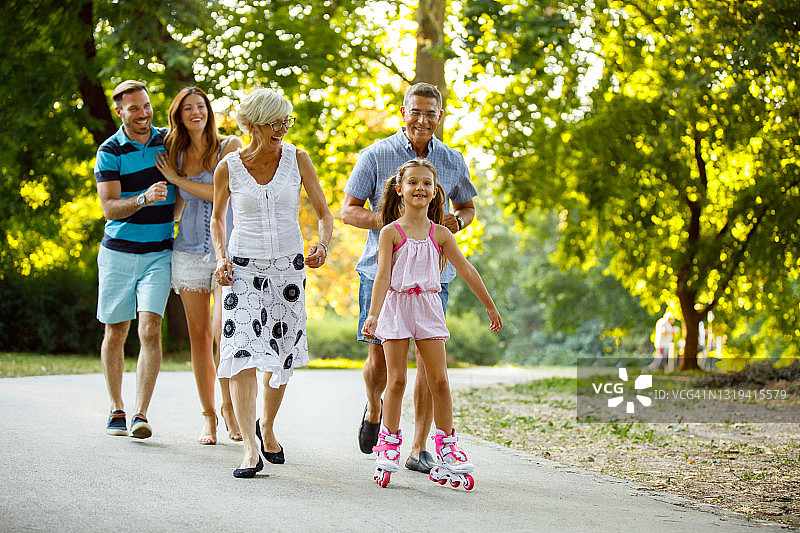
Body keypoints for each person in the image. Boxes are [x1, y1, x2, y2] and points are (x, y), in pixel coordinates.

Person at [342, 82, 478, 474]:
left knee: (429, 363)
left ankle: (418, 447)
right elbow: (349, 211)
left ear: (439, 116)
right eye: (415, 111)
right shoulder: (376, 154)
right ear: (404, 112)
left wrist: (457, 223)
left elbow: (467, 208)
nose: (422, 119)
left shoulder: (452, 160)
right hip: (381, 273)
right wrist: (394, 223)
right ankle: (375, 408)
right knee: (380, 362)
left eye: (430, 113)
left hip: (434, 278)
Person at [210, 87, 333, 478]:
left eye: (286, 121)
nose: (282, 128)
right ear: (252, 125)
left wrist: (322, 244)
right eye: (274, 123)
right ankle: (250, 448)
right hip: (242, 271)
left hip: (287, 272)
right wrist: (221, 258)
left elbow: (324, 214)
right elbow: (217, 219)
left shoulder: (298, 159)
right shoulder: (228, 167)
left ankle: (267, 426)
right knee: (241, 353)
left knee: (280, 354)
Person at [361, 158, 502, 489]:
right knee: (396, 380)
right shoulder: (390, 233)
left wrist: (489, 306)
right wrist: (373, 314)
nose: (420, 188)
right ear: (400, 189)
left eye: (426, 183)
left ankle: (447, 449)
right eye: (413, 182)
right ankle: (389, 445)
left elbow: (466, 269)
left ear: (436, 191)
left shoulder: (441, 234)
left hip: (428, 307)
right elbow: (382, 276)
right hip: (396, 306)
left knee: (439, 380)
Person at [154, 87, 243, 444]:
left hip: (225, 252)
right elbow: (178, 206)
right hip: (188, 252)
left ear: (209, 110)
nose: (196, 112)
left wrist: (177, 180)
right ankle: (209, 416)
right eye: (188, 108)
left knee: (224, 331)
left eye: (201, 106)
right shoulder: (174, 155)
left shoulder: (229, 147)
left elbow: (226, 193)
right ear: (179, 116)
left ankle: (230, 407)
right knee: (199, 337)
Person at [94, 80, 175, 439]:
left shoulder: (168, 141)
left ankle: (141, 414)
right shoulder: (110, 151)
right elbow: (109, 207)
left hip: (159, 253)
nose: (143, 114)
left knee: (150, 329)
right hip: (118, 254)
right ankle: (117, 408)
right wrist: (144, 198)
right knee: (116, 331)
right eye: (134, 109)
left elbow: (201, 156)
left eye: (146, 106)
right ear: (120, 112)